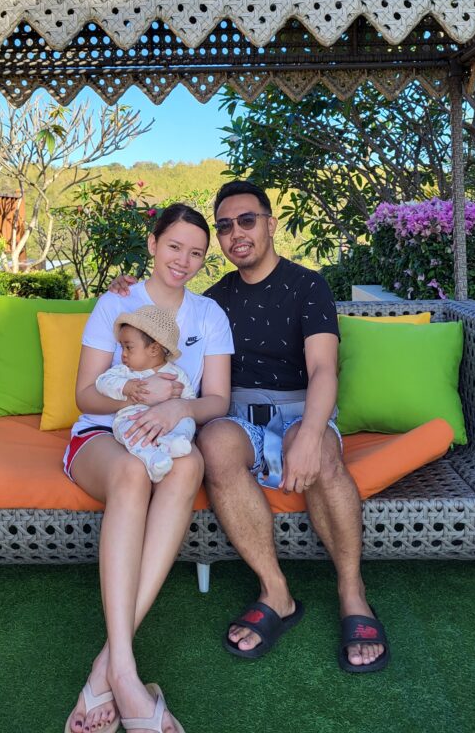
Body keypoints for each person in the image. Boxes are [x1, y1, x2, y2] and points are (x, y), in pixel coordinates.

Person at [111, 179, 389, 674]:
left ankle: (352, 591)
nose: (235, 232)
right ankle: (275, 591)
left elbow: (324, 369)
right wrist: (124, 291)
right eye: (224, 226)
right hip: (238, 419)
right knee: (216, 444)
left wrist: (310, 434)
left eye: (246, 220)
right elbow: (160, 319)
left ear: (270, 224)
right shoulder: (214, 301)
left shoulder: (308, 286)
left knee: (320, 449)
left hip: (302, 409)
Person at [64, 203, 233, 733]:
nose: (183, 260)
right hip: (101, 436)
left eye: (197, 253)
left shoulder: (209, 315)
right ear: (154, 244)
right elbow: (85, 395)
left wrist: (177, 407)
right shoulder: (117, 302)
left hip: (168, 436)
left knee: (189, 466)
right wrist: (134, 395)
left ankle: (108, 667)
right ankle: (126, 674)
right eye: (174, 246)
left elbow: (218, 400)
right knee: (133, 474)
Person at [96, 305, 197, 482]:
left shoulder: (176, 374)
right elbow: (102, 382)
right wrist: (127, 387)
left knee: (188, 421)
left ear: (154, 349)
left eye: (128, 347)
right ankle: (152, 458)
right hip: (134, 420)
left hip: (168, 424)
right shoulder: (125, 372)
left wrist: (178, 404)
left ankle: (172, 442)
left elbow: (190, 401)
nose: (123, 354)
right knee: (127, 431)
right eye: (122, 347)